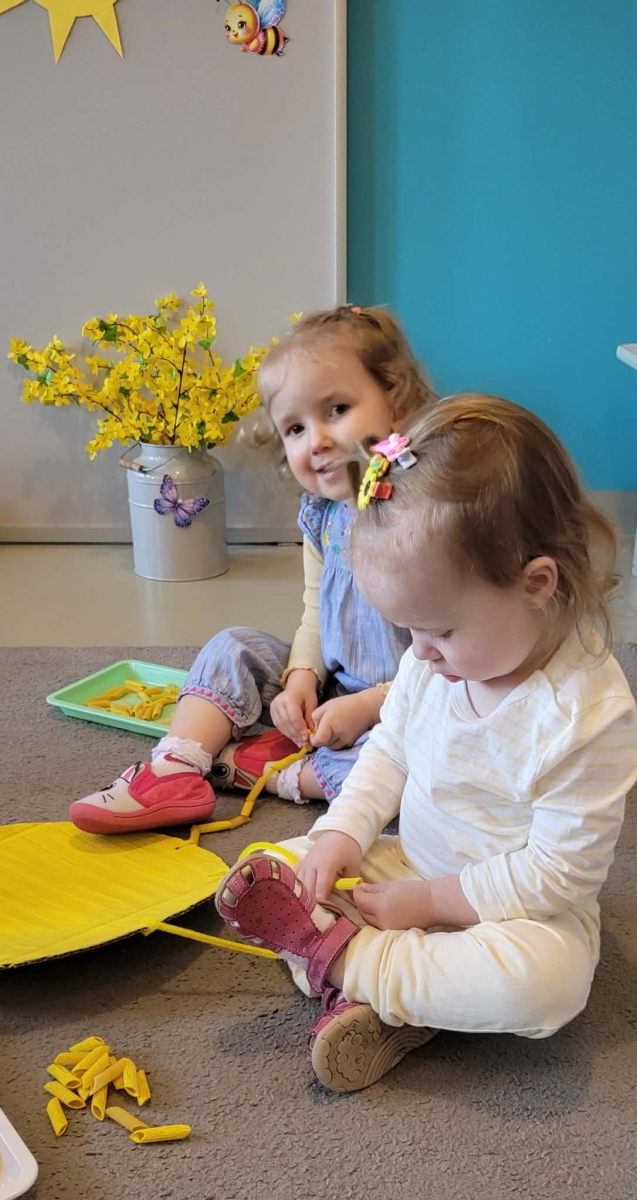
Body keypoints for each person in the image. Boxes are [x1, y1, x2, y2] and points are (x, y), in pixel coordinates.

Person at [214, 395, 637, 1093]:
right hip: (407, 863)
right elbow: (390, 752)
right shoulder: (429, 662)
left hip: (518, 912)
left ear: (536, 584)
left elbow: (558, 875)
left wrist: (433, 904)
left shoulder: (588, 713)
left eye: (439, 631)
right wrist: (341, 834)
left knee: (547, 987)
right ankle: (402, 997)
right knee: (272, 868)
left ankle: (351, 967)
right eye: (408, 630)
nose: (419, 653)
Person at [70, 306, 436, 834]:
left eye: (337, 409)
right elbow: (316, 614)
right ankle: (175, 767)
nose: (316, 440)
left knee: (426, 774)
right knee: (234, 644)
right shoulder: (323, 515)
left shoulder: (425, 513)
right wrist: (302, 677)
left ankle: (269, 772)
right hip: (336, 694)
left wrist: (371, 706)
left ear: (397, 405)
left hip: (415, 702)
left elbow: (450, 661)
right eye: (295, 428)